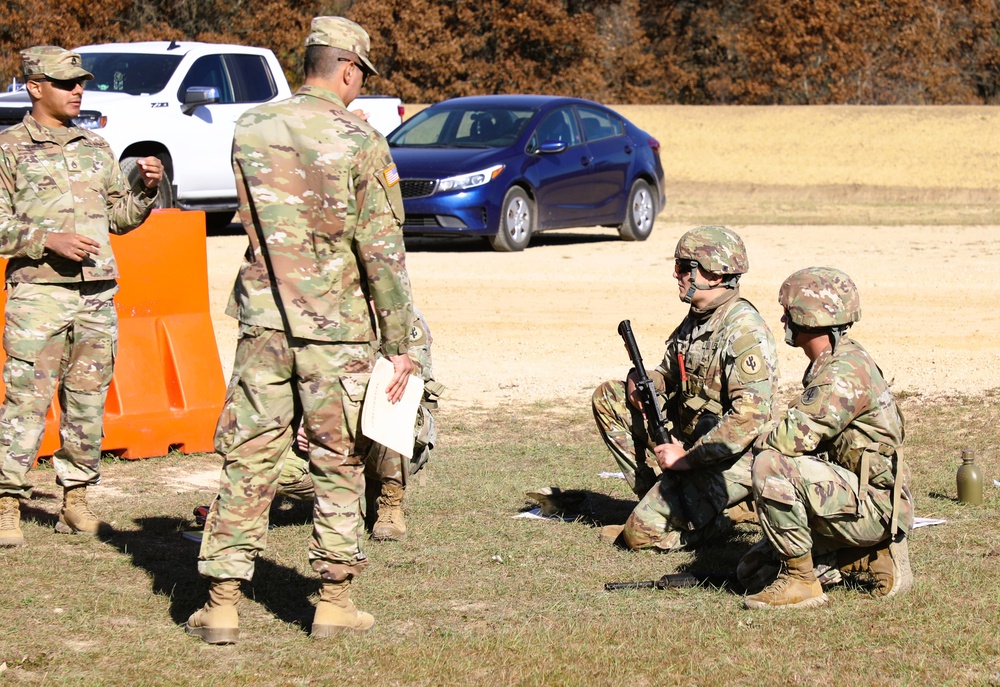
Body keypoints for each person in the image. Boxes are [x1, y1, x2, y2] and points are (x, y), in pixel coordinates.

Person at [185, 16, 414, 644]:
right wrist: (402, 344)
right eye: (360, 76)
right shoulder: (360, 139)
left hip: (262, 320)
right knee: (337, 462)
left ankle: (223, 603)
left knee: (248, 457)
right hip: (335, 329)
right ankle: (333, 601)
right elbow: (382, 250)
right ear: (348, 69)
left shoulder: (250, 126)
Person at [0, 47, 161, 547]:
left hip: (96, 295)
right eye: (66, 82)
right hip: (39, 296)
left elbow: (118, 218)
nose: (77, 90)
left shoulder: (96, 146)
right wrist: (46, 239)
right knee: (26, 401)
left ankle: (76, 499)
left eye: (80, 82)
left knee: (88, 403)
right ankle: (7, 503)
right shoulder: (8, 149)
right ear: (34, 86)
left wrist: (145, 191)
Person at [591, 226, 777, 551]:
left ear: (715, 276)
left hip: (727, 460)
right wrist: (645, 379)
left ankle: (726, 519)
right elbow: (670, 373)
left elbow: (747, 421)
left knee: (638, 537)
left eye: (683, 268)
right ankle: (652, 497)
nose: (676, 275)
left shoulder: (745, 333)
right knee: (610, 397)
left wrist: (687, 460)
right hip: (687, 442)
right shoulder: (698, 318)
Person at [742, 267, 913, 610]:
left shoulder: (841, 374)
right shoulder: (835, 360)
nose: (782, 319)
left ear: (808, 317)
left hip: (874, 506)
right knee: (753, 571)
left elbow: (787, 442)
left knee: (770, 465)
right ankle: (860, 555)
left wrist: (748, 445)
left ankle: (802, 582)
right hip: (855, 492)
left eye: (788, 312)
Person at [277, 307, 444, 542]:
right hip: (334, 423)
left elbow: (411, 375)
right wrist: (304, 421)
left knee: (392, 401)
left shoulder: (401, 316)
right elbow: (302, 376)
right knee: (276, 470)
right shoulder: (321, 314)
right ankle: (347, 498)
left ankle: (390, 506)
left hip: (386, 421)